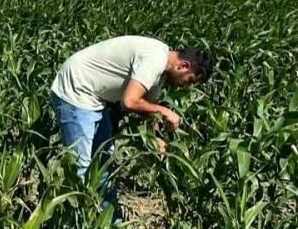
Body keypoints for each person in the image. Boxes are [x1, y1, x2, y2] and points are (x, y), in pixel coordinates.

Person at [50, 36, 212, 217]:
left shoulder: (161, 73)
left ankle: (109, 223)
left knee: (104, 162)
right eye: (189, 80)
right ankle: (75, 226)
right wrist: (165, 111)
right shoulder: (154, 59)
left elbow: (147, 108)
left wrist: (157, 138)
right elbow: (130, 102)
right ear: (183, 66)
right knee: (80, 168)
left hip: (96, 98)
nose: (185, 87)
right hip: (77, 89)